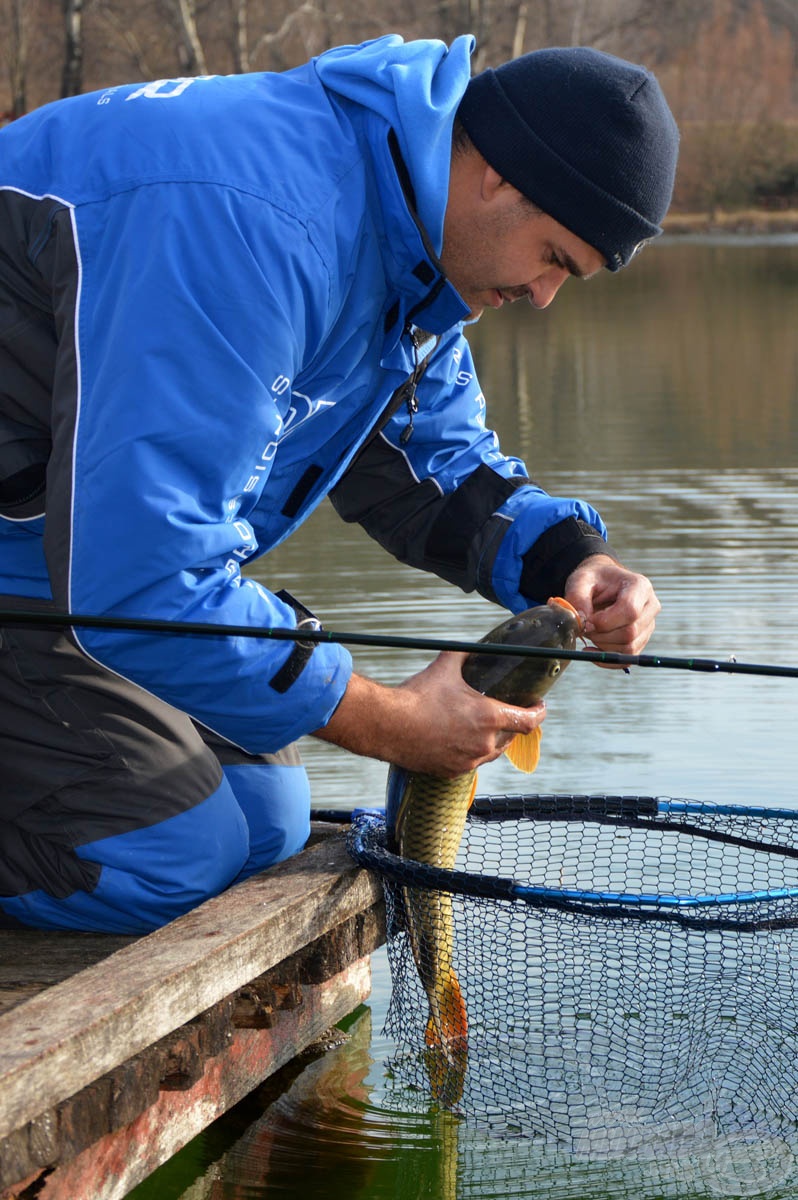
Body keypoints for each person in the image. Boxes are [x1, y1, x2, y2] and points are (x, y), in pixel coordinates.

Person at [0, 35, 679, 933]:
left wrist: (571, 558)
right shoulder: (252, 222)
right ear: (502, 180)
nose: (547, 294)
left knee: (265, 823)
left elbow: (430, 465)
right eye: (555, 255)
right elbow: (144, 576)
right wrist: (388, 719)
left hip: (60, 560)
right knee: (165, 857)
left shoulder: (402, 233)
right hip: (61, 570)